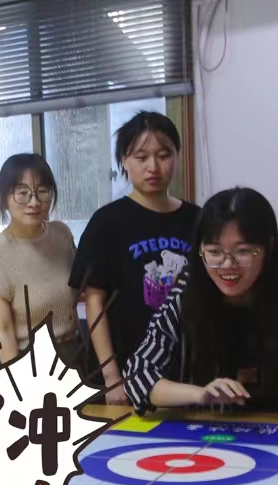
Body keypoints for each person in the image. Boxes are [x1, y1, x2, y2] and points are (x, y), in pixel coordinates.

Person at [123, 186, 278, 415]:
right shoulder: (187, 293)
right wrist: (200, 394)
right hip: (216, 409)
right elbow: (138, 375)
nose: (227, 265)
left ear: (269, 248)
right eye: (214, 251)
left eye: (243, 251)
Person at [68, 111, 201, 404]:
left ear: (177, 156)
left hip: (184, 373)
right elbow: (95, 302)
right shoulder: (106, 223)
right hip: (123, 376)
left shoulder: (198, 220)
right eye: (141, 157)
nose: (153, 167)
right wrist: (111, 376)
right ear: (124, 161)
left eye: (164, 155)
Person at [0, 153, 82, 371]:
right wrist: (19, 382)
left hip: (77, 354)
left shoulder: (62, 234)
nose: (34, 202)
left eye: (42, 191)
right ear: (2, 199)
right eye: (22, 194)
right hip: (32, 364)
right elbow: (3, 331)